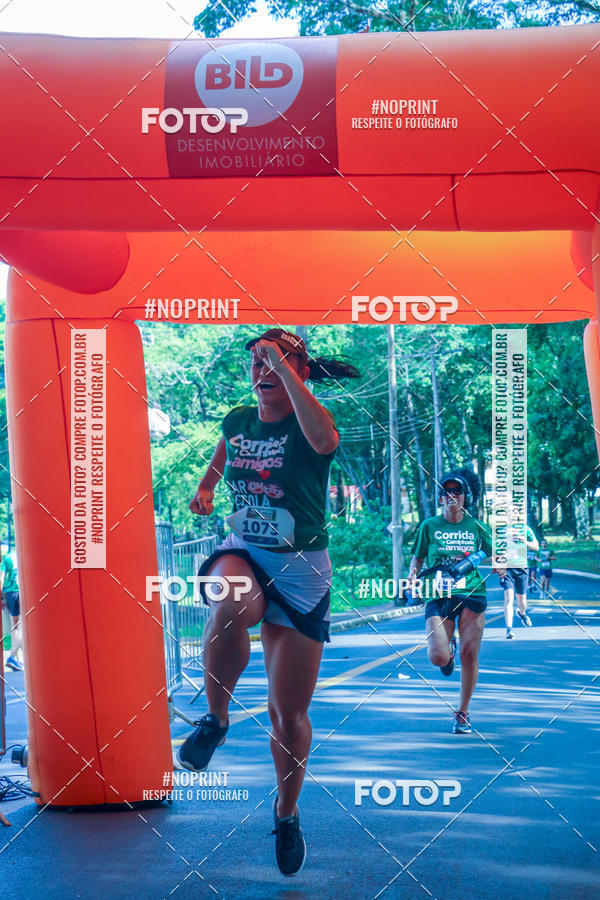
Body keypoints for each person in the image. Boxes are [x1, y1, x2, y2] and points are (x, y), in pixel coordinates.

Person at [178, 328, 359, 876]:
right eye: (255, 361)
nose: (262, 371)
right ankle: (214, 719)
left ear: (300, 372)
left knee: (288, 714)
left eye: (275, 362)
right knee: (230, 601)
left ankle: (285, 810)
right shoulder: (237, 420)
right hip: (247, 551)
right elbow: (221, 458)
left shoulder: (312, 423)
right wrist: (206, 490)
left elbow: (326, 442)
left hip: (302, 571)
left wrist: (284, 365)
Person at [408, 468, 495, 735]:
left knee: (472, 653)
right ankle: (449, 653)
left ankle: (463, 713)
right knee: (437, 656)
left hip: (472, 592)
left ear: (466, 496)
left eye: (457, 491)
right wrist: (412, 576)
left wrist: (501, 566)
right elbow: (418, 558)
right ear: (441, 498)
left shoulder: (478, 526)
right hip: (438, 594)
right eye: (447, 492)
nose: (452, 496)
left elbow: (495, 554)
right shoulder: (429, 526)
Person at [500, 524, 539, 639]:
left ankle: (522, 613)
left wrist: (525, 542)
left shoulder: (525, 529)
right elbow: (494, 548)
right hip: (507, 568)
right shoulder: (500, 530)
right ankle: (509, 629)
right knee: (509, 598)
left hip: (521, 568)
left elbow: (536, 547)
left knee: (522, 600)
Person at [1, 547, 23, 672]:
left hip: (10, 593)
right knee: (21, 627)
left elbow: (2, 576)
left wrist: (1, 597)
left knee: (15, 627)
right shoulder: (24, 553)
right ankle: (12, 656)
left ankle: (16, 660)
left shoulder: (8, 557)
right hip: (20, 591)